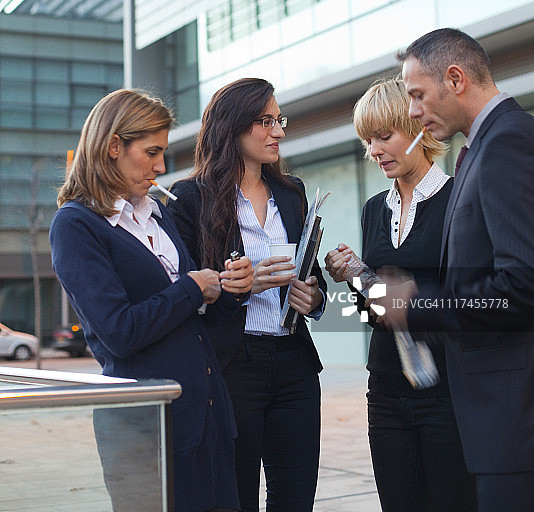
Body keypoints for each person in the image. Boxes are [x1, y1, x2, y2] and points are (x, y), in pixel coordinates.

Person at [49, 88, 254, 512]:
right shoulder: (76, 225)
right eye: (151, 151)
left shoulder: (156, 213)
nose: (161, 166)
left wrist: (230, 290)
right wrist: (193, 287)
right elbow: (120, 332)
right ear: (112, 146)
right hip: (145, 429)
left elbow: (195, 323)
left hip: (208, 416)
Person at [384, 27, 534, 512]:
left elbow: (521, 285)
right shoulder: (486, 145)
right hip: (496, 418)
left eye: (417, 94)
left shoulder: (507, 142)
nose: (411, 110)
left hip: (513, 420)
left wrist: (417, 303)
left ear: (455, 78)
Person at [167, 77, 327, 512]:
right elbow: (181, 288)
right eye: (265, 121)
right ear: (232, 127)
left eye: (279, 120)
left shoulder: (291, 193)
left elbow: (308, 271)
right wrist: (236, 285)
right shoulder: (191, 199)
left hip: (295, 365)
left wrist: (313, 298)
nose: (278, 131)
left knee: (295, 499)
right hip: (231, 366)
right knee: (235, 499)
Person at [324, 77, 475, 512]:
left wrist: (408, 298)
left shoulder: (458, 201)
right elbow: (373, 313)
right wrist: (355, 276)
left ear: (419, 129)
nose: (374, 151)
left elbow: (472, 298)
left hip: (446, 391)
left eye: (384, 136)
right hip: (386, 391)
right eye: (367, 141)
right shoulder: (374, 209)